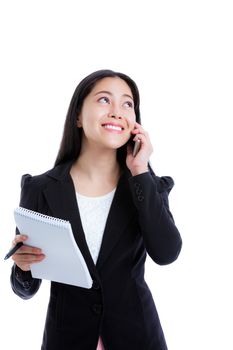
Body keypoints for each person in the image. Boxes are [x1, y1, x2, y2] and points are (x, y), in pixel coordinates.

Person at [10, 69, 182, 350]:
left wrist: (140, 171)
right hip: (66, 340)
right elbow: (24, 289)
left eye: (127, 104)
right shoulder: (40, 188)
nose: (117, 111)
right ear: (78, 116)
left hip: (137, 338)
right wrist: (23, 267)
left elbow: (166, 254)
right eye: (104, 100)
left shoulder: (148, 186)